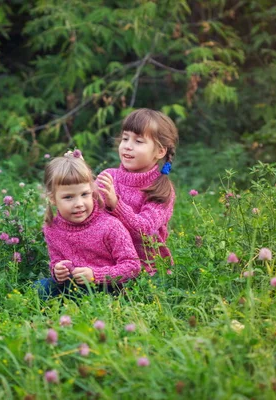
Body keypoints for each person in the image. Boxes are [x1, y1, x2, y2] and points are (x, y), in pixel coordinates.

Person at [37, 150, 141, 298]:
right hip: (72, 285)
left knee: (85, 291)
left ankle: (79, 308)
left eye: (84, 194)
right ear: (53, 199)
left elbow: (132, 266)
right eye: (68, 197)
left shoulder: (110, 226)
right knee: (40, 287)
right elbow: (57, 260)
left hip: (107, 288)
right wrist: (57, 271)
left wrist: (96, 275)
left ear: (92, 191)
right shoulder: (52, 229)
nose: (78, 204)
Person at [97, 108, 178, 274]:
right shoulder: (108, 176)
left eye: (138, 141)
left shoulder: (161, 189)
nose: (127, 146)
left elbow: (145, 229)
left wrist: (115, 205)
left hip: (145, 270)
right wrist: (81, 178)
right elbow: (87, 214)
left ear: (160, 151)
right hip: (105, 263)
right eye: (125, 138)